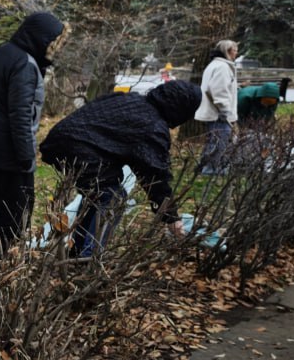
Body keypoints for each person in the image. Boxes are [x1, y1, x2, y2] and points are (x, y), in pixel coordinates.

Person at [39, 80, 200, 257]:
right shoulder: (152, 126)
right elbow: (155, 176)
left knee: (99, 194)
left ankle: (78, 251)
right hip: (78, 147)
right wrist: (171, 217)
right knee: (113, 197)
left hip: (61, 139)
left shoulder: (132, 100)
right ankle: (88, 257)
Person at [0, 12, 66, 255]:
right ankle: (1, 255)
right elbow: (20, 114)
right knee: (14, 206)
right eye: (51, 40)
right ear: (39, 36)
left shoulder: (1, 53)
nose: (52, 47)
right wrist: (26, 156)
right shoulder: (24, 64)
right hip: (11, 150)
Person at [195, 39, 239, 175]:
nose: (236, 53)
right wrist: (225, 110)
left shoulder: (216, 65)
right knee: (220, 142)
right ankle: (212, 169)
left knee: (214, 141)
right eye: (235, 50)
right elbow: (218, 90)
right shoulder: (222, 67)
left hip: (216, 112)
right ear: (228, 51)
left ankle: (205, 168)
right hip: (218, 113)